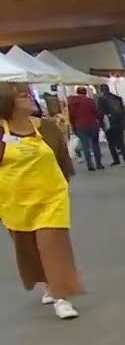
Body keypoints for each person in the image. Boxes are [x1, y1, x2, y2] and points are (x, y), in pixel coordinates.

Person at [0, 83, 83, 319]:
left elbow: (62, 157)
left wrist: (65, 183)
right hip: (14, 201)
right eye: (21, 96)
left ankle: (61, 296)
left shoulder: (46, 127)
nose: (29, 98)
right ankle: (48, 284)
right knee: (29, 248)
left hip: (51, 198)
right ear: (8, 104)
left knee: (53, 247)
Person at [66, 86, 102, 171]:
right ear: (85, 92)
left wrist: (73, 126)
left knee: (85, 146)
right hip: (92, 124)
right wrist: (100, 122)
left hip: (80, 126)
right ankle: (99, 164)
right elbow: (96, 112)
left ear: (77, 92)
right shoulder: (90, 101)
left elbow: (71, 116)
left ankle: (90, 165)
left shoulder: (72, 103)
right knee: (95, 144)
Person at [95, 84, 125, 167]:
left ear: (101, 90)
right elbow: (123, 111)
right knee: (121, 142)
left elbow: (99, 113)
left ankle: (116, 160)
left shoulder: (101, 99)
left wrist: (101, 124)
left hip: (108, 124)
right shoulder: (117, 98)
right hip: (118, 123)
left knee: (111, 143)